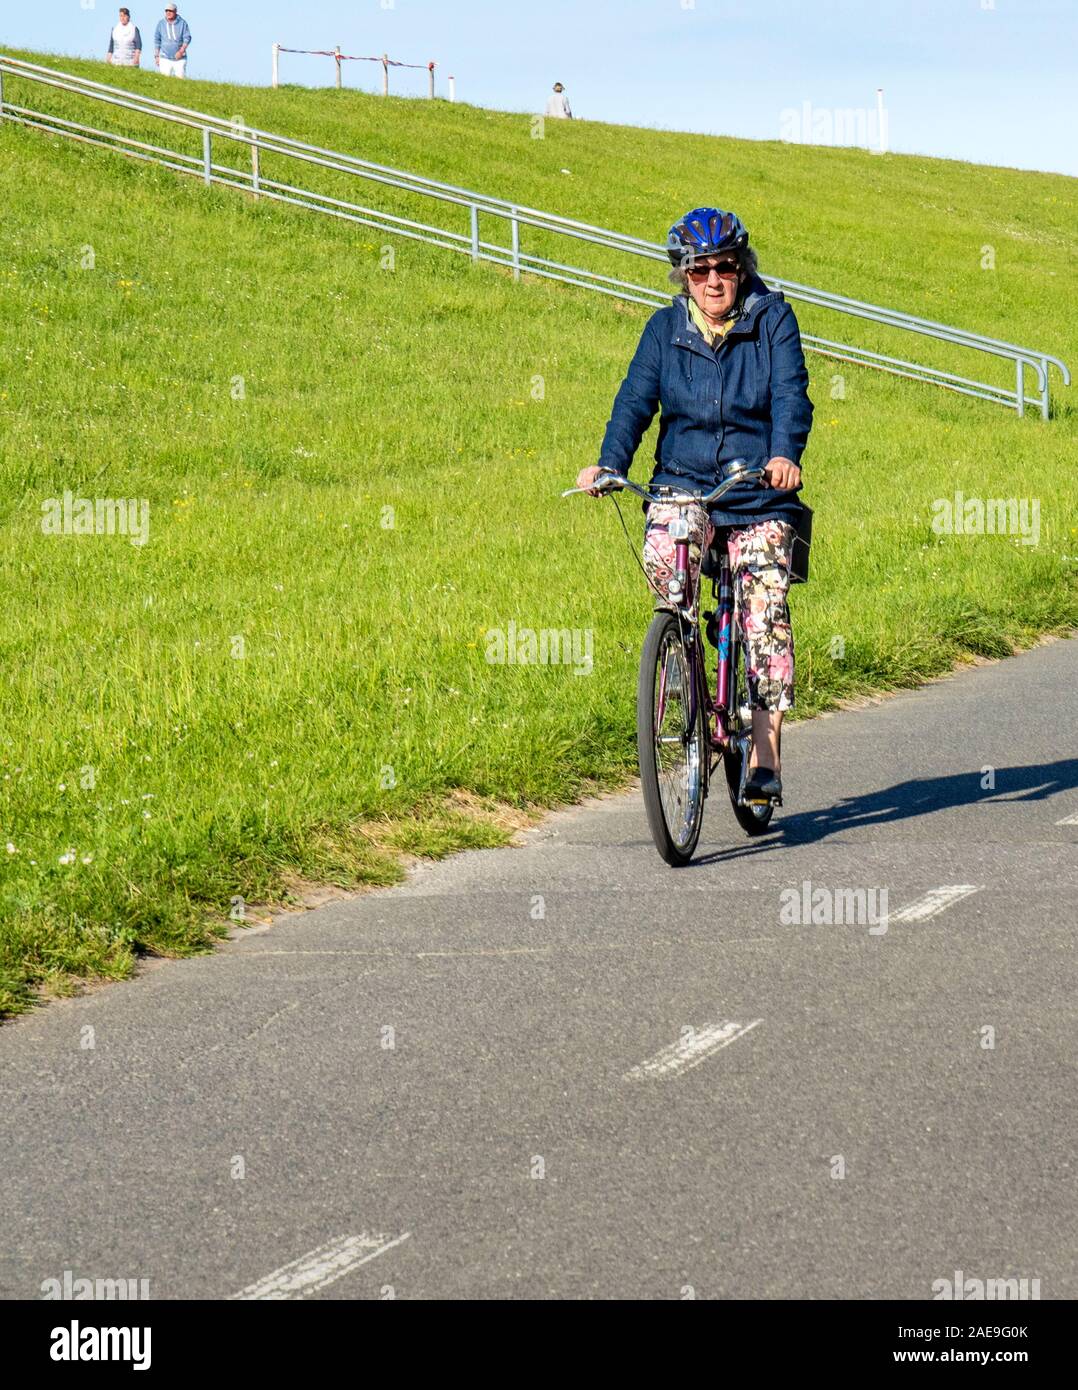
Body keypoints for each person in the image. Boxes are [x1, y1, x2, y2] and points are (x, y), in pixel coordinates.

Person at [576, 207, 813, 804]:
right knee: (669, 579)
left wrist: (784, 455)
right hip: (681, 481)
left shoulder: (773, 319)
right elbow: (634, 400)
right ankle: (685, 693)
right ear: (682, 274)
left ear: (743, 268)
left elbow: (791, 395)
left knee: (762, 613)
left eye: (726, 268)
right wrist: (611, 464)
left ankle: (763, 757)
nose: (713, 280)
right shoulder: (663, 330)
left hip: (756, 488)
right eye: (699, 269)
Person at [154, 5, 191, 78]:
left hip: (179, 59)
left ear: (175, 11)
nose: (168, 12)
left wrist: (181, 51)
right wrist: (156, 56)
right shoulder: (161, 23)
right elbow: (157, 40)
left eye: (170, 11)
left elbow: (187, 38)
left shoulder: (182, 23)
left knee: (180, 79)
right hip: (165, 57)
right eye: (166, 11)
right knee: (164, 80)